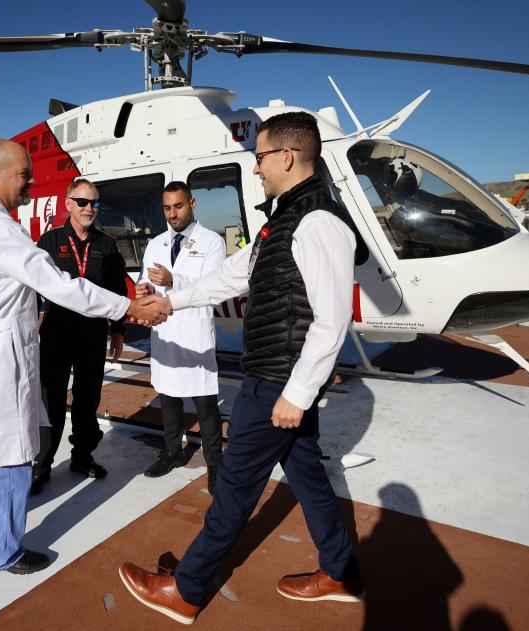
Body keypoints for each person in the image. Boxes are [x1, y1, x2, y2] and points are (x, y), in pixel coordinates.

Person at [119, 112, 366, 623]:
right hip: (278, 379)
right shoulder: (285, 221)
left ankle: (185, 591)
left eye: (259, 157)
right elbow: (232, 276)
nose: (254, 169)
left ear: (287, 157)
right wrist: (172, 301)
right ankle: (341, 571)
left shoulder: (319, 223)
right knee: (310, 478)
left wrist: (296, 395)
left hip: (276, 383)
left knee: (233, 487)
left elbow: (331, 320)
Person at [0, 139, 169, 575]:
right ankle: (0, 551)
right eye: (23, 175)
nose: (31, 182)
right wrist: (129, 308)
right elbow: (62, 286)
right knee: (7, 456)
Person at [30, 178, 128, 495]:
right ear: (68, 203)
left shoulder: (106, 245)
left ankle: (82, 457)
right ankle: (41, 466)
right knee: (52, 403)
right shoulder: (49, 241)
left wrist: (118, 331)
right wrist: (29, 325)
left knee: (88, 401)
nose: (89, 209)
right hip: (57, 334)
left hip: (92, 335)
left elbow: (115, 290)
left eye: (94, 203)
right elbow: (32, 288)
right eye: (82, 202)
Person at [135, 181, 226, 494]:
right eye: (167, 208)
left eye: (178, 206)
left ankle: (215, 464)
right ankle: (172, 452)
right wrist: (144, 289)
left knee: (206, 405)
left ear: (193, 204)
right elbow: (145, 281)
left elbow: (214, 286)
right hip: (165, 332)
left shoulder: (212, 242)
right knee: (169, 399)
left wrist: (175, 279)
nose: (172, 214)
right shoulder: (157, 243)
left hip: (195, 332)